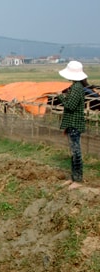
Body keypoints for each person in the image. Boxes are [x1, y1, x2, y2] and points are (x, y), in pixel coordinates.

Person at [58, 61, 88, 190]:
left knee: (76, 152)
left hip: (75, 124)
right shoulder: (75, 86)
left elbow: (70, 106)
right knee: (73, 151)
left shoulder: (76, 88)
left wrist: (60, 96)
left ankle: (78, 179)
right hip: (72, 123)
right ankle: (73, 178)